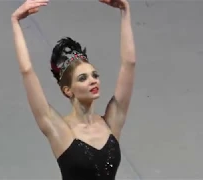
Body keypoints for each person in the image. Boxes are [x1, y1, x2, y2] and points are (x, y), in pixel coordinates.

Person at [11, 0, 136, 179]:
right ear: (68, 90)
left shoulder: (111, 122)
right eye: (83, 78)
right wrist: (15, 20)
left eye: (95, 75)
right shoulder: (60, 129)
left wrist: (125, 11)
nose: (93, 81)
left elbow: (129, 64)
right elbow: (27, 71)